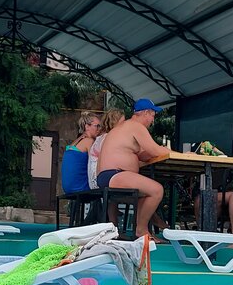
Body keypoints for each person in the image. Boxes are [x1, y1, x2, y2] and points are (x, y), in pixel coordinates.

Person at [96, 98, 167, 239]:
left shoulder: (126, 127)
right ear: (146, 113)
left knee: (146, 194)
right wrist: (181, 154)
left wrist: (159, 150)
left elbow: (143, 154)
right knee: (157, 190)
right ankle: (141, 231)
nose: (152, 120)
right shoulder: (136, 126)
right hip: (114, 174)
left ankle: (143, 228)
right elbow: (155, 151)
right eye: (152, 116)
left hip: (109, 175)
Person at [60, 111, 103, 196]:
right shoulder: (89, 141)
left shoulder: (76, 142)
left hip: (68, 188)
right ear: (87, 127)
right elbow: (96, 162)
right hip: (79, 188)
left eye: (100, 126)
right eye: (97, 126)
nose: (99, 129)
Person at [87, 109, 125, 189]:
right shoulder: (108, 138)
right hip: (99, 182)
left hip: (95, 181)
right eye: (122, 123)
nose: (124, 126)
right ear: (114, 123)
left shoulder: (102, 137)